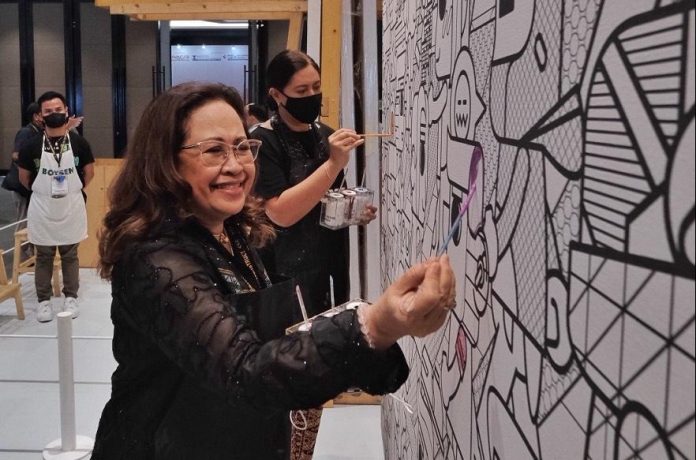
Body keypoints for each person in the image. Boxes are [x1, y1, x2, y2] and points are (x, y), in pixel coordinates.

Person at [91, 82, 455, 460]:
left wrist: (371, 335)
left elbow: (263, 341)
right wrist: (374, 325)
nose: (235, 165)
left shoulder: (232, 230)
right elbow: (244, 370)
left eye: (242, 147)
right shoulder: (157, 261)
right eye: (214, 150)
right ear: (166, 161)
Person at [252, 49, 377, 320]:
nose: (311, 96)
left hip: (330, 268)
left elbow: (328, 201)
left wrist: (353, 211)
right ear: (277, 95)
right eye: (301, 90)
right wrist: (333, 165)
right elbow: (280, 213)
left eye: (316, 87)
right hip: (284, 273)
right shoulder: (263, 141)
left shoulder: (325, 135)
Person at [17, 91, 95, 322]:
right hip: (42, 205)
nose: (54, 114)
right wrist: (44, 190)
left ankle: (71, 296)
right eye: (48, 111)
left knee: (70, 254)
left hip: (70, 204)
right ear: (40, 116)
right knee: (44, 255)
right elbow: (24, 178)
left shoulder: (79, 143)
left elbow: (89, 173)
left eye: (58, 110)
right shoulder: (30, 146)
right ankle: (43, 301)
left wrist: (72, 188)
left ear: (66, 111)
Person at [2, 102, 42, 230]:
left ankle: (28, 249)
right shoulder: (26, 132)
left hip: (29, 185)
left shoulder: (39, 132)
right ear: (36, 116)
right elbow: (16, 155)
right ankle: (21, 250)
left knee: (30, 219)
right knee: (23, 219)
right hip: (21, 185)